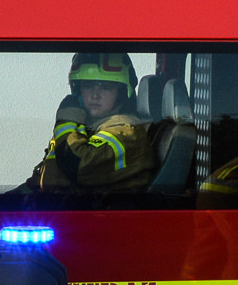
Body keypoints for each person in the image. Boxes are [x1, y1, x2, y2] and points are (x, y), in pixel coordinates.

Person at [24, 53, 158, 193]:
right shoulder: (82, 127)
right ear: (78, 90)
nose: (95, 95)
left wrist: (66, 122)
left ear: (121, 92)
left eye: (105, 87)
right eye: (88, 86)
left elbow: (78, 166)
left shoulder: (126, 132)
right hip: (58, 205)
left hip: (104, 207)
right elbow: (44, 178)